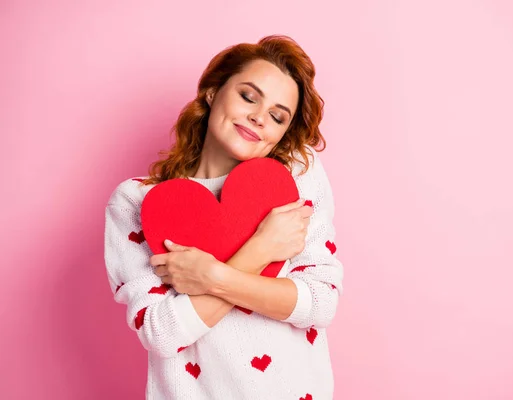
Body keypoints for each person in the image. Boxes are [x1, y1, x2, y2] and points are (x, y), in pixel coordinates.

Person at [104, 34, 344, 399]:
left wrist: (211, 276)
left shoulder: (294, 175)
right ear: (213, 92)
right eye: (248, 96)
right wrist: (260, 249)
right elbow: (161, 332)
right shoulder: (138, 201)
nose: (258, 117)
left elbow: (320, 303)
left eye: (278, 117)